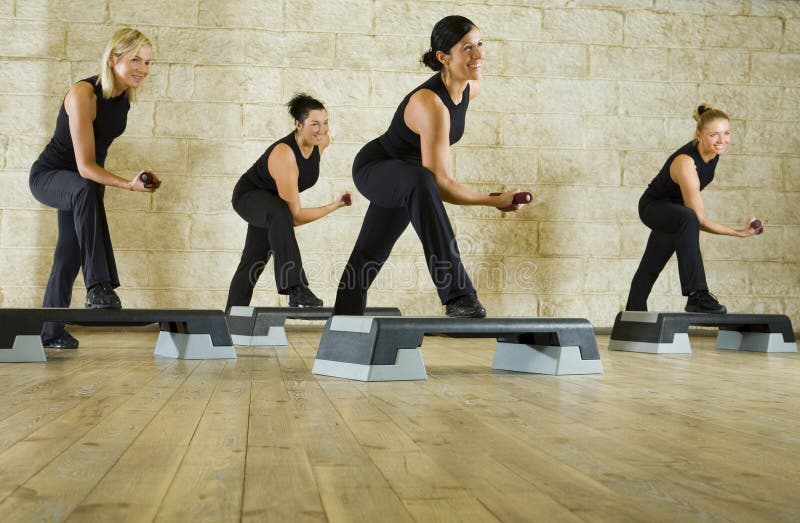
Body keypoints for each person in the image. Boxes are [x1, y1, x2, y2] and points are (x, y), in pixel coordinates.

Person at [333, 15, 528, 318]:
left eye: (480, 44)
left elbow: (429, 176)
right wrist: (493, 201)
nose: (479, 55)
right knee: (421, 181)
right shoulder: (430, 103)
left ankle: (342, 321)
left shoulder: (469, 89)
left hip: (411, 177)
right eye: (467, 48)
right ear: (443, 58)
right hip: (378, 168)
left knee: (370, 252)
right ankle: (458, 295)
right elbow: (439, 182)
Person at [29, 28, 161, 349]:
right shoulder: (82, 95)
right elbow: (85, 165)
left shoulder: (123, 99)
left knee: (69, 254)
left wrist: (118, 184)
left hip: (84, 186)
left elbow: (94, 162)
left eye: (147, 62)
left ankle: (50, 331)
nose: (142, 69)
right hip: (52, 176)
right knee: (81, 193)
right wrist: (127, 185)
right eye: (135, 60)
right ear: (114, 58)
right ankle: (98, 287)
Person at [625, 104, 762, 314]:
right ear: (699, 135)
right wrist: (739, 233)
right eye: (714, 134)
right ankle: (696, 295)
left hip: (677, 212)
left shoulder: (714, 153)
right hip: (653, 207)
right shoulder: (686, 163)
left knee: (653, 262)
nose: (722, 140)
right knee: (688, 218)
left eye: (726, 133)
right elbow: (698, 219)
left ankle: (632, 314)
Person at [225, 94, 351, 311]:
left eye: (325, 122)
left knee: (253, 261)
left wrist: (336, 205)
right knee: (280, 212)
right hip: (249, 196)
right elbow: (294, 217)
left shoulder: (321, 142)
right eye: (314, 124)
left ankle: (231, 318)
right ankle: (296, 288)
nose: (322, 130)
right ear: (298, 125)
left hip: (272, 204)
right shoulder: (284, 154)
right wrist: (332, 206)